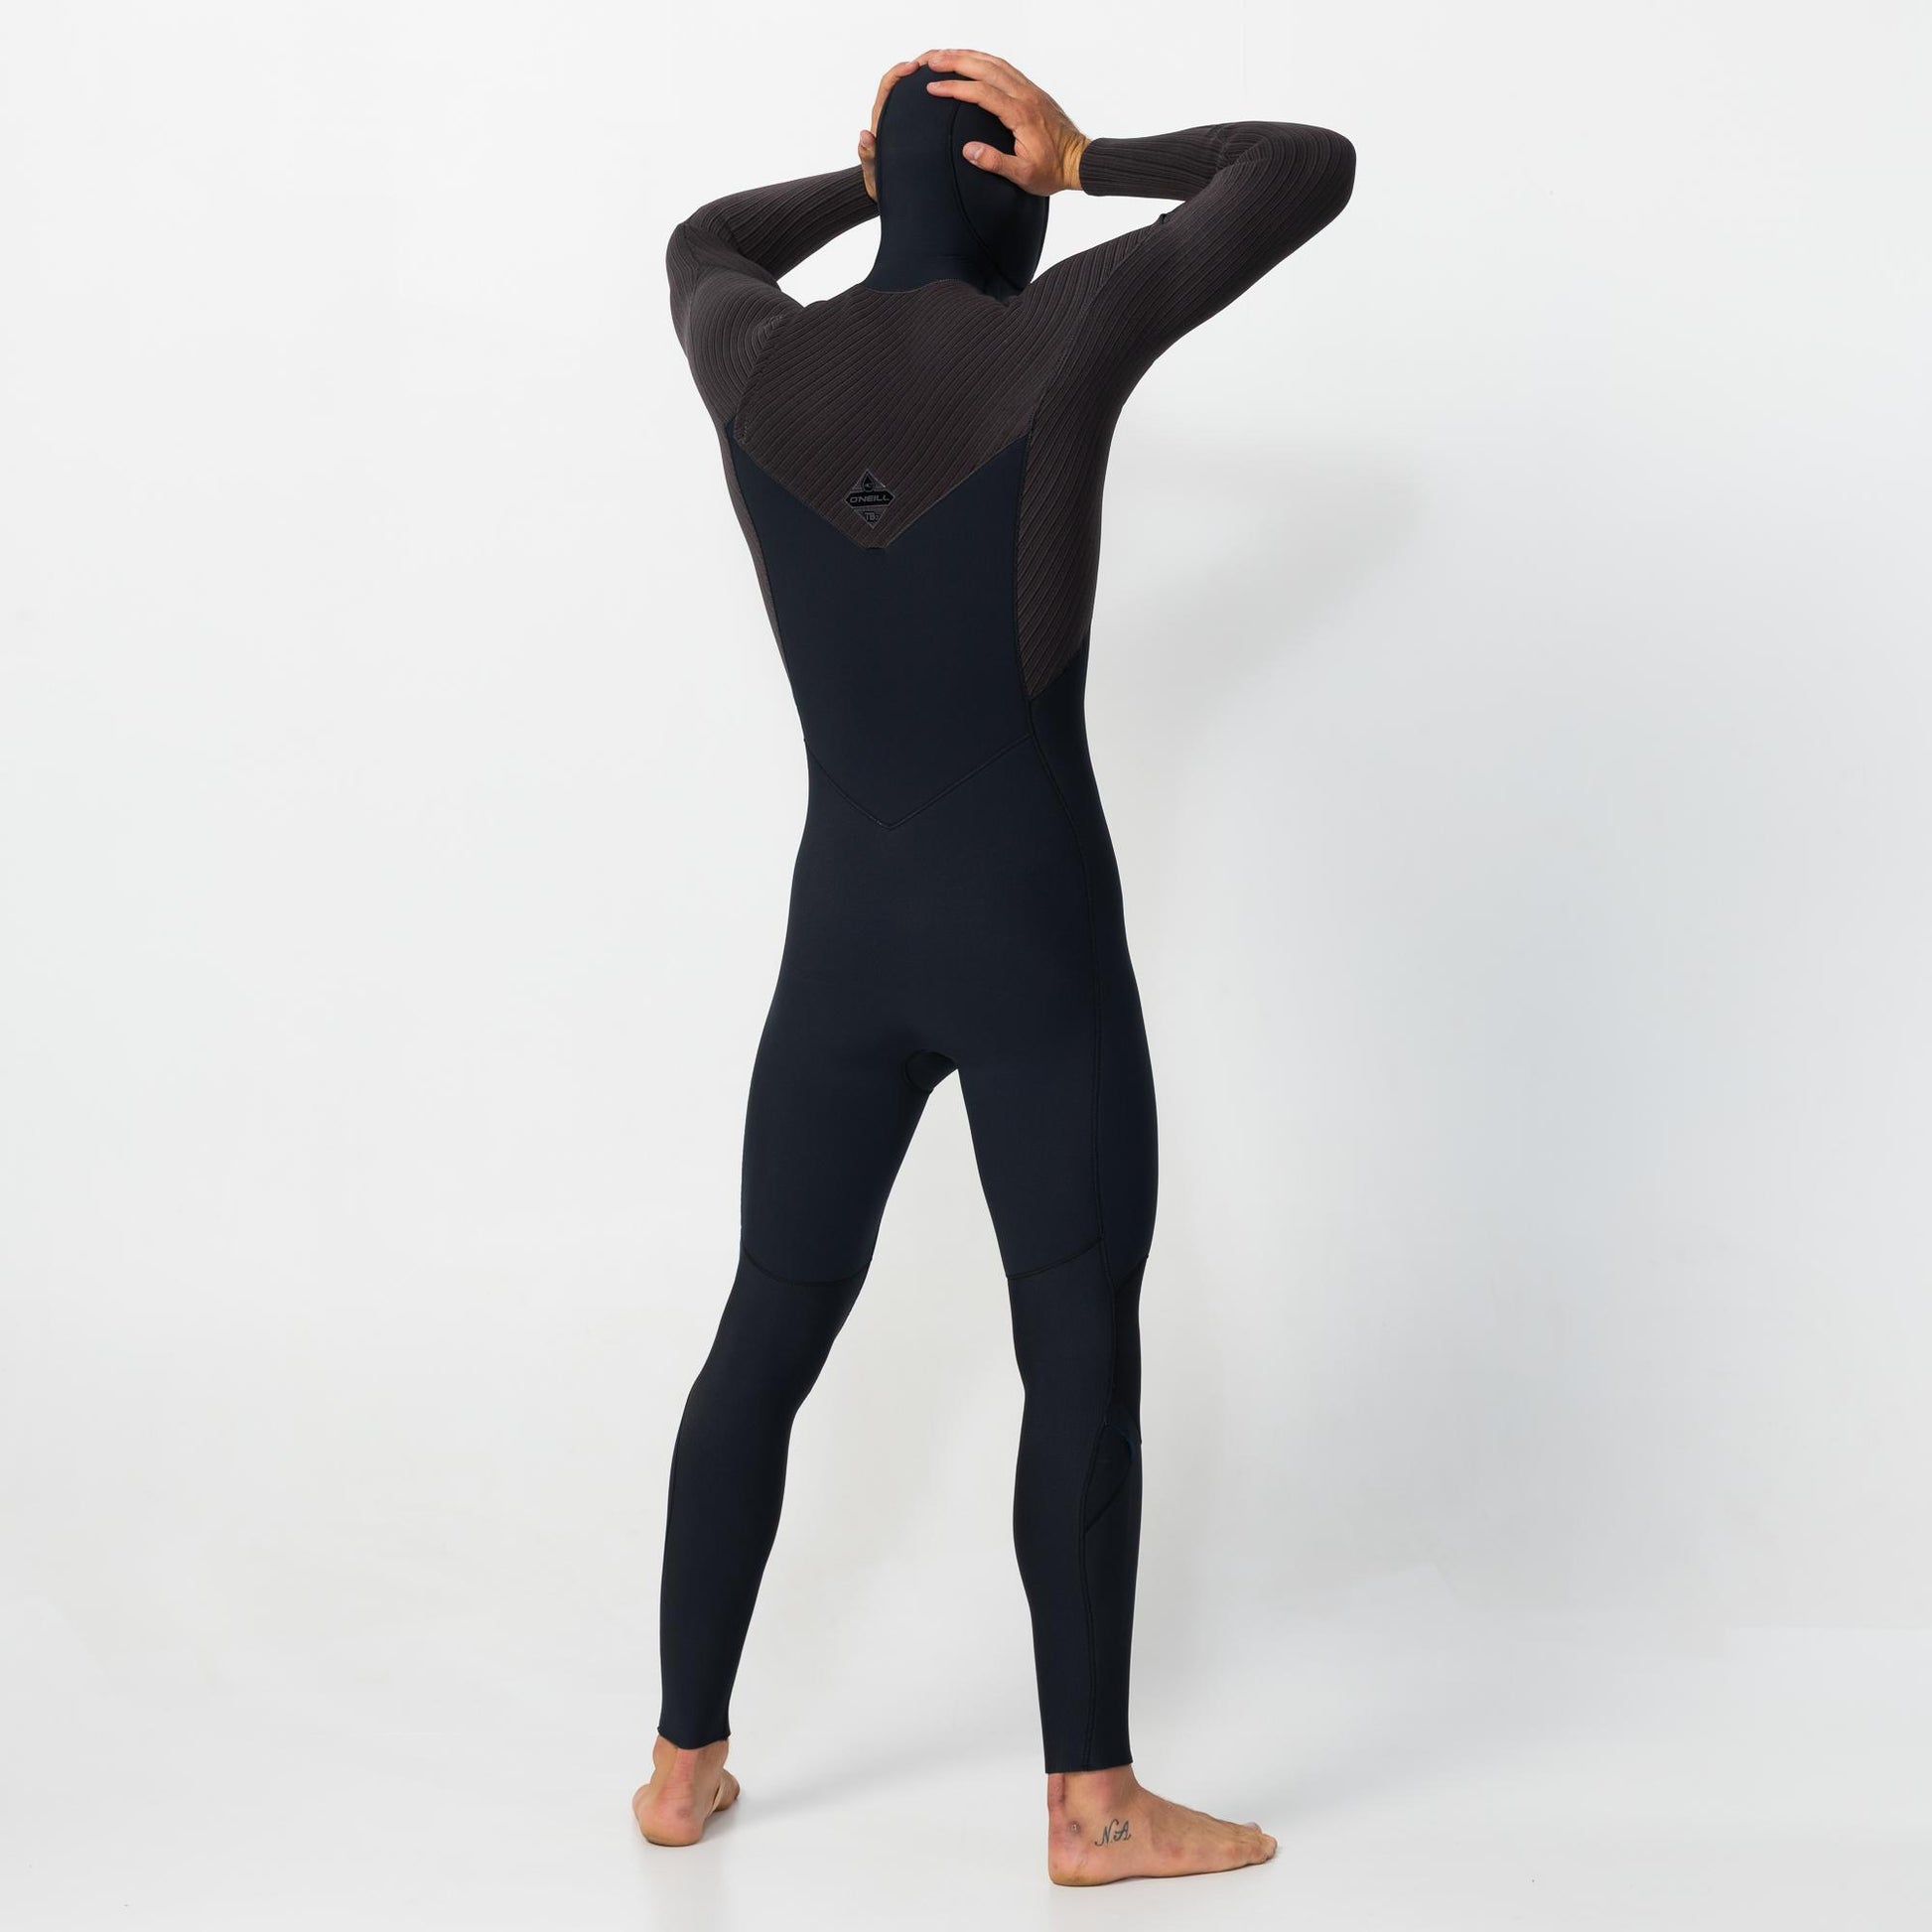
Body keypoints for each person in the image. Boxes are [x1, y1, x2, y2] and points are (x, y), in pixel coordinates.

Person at [634, 48, 1355, 1884]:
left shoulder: (752, 357)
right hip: (1029, 934)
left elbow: (703, 237)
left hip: (840, 947)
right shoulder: (1061, 335)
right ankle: (1092, 1805)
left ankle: (678, 1768)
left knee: (763, 1333)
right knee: (1075, 1342)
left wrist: (868, 178)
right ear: (1011, 189)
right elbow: (1301, 163)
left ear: (891, 184)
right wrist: (1088, 153)